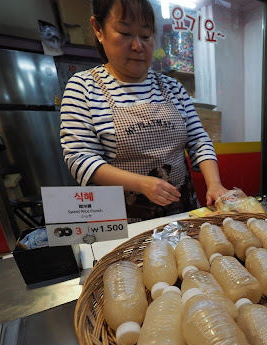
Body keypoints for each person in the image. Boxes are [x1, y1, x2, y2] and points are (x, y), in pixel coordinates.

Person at [60, 0, 228, 222]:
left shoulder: (172, 87)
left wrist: (214, 184)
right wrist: (142, 183)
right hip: (122, 221)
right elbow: (80, 158)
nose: (138, 46)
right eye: (125, 33)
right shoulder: (83, 87)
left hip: (181, 211)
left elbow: (198, 140)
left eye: (146, 36)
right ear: (98, 29)